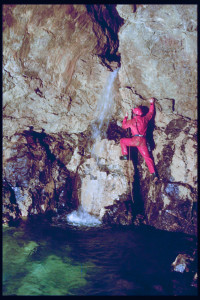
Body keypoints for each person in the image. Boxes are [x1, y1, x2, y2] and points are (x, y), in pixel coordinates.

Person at [120, 97, 158, 182]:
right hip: (143, 141)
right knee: (147, 158)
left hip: (135, 140)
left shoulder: (132, 121)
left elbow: (124, 126)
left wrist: (125, 117)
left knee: (122, 141)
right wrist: (152, 103)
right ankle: (154, 174)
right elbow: (151, 113)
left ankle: (125, 155)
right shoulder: (145, 119)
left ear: (134, 114)